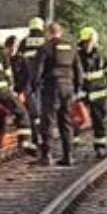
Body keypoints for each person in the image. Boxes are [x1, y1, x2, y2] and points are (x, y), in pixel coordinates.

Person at [34, 20, 78, 166]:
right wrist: (77, 88)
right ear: (61, 32)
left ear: (48, 33)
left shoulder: (45, 47)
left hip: (52, 86)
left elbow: (38, 70)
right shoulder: (71, 47)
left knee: (48, 121)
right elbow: (79, 70)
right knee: (65, 121)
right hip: (68, 86)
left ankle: (47, 156)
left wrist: (34, 87)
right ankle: (68, 156)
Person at [76, 27, 107, 157]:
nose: (88, 44)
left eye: (90, 42)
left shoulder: (101, 56)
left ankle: (100, 147)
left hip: (99, 94)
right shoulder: (77, 57)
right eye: (86, 42)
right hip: (82, 94)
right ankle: (73, 143)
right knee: (76, 119)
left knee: (99, 121)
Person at [15, 16, 46, 152]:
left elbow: (18, 62)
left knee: (30, 109)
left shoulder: (24, 42)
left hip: (26, 79)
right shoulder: (46, 42)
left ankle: (33, 136)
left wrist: (18, 83)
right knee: (41, 109)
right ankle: (41, 136)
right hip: (42, 79)